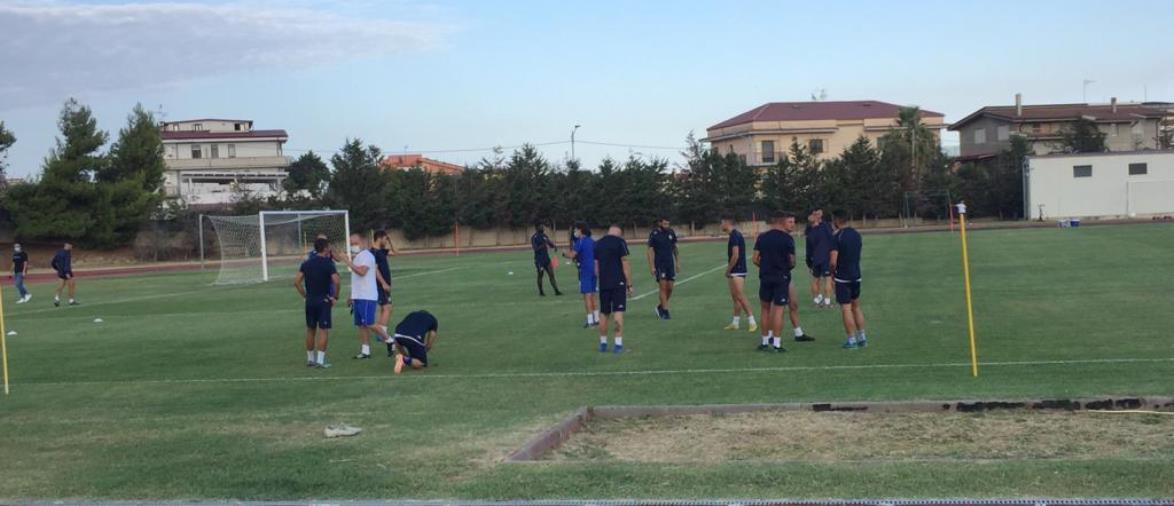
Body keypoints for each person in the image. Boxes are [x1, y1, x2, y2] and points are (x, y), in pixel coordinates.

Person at [333, 233, 393, 359]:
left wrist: (346, 261)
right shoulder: (357, 257)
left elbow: (361, 272)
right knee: (361, 324)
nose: (351, 246)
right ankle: (365, 351)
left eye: (353, 243)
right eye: (350, 244)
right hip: (358, 295)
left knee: (369, 323)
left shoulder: (366, 256)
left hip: (367, 295)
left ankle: (389, 340)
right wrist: (351, 295)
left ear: (360, 243)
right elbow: (355, 278)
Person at [753, 211, 799, 353]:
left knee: (765, 309)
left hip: (765, 277)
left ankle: (765, 342)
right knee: (778, 310)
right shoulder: (787, 239)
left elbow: (755, 259)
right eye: (790, 221)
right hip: (781, 277)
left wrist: (766, 266)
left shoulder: (762, 237)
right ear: (782, 221)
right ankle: (777, 344)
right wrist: (784, 267)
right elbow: (792, 261)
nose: (793, 224)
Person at [295, 237, 341, 368]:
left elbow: (296, 282)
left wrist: (305, 295)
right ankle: (320, 361)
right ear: (326, 248)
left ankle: (310, 359)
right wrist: (335, 296)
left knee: (310, 329)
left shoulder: (307, 263)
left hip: (310, 300)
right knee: (323, 330)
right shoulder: (328, 263)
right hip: (323, 300)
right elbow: (337, 281)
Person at [830, 209, 867, 349]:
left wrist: (833, 274)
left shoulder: (837, 237)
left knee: (846, 308)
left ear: (837, 220)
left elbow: (833, 261)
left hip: (843, 277)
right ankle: (862, 337)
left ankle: (851, 340)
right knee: (856, 306)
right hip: (856, 275)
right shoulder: (856, 235)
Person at [594, 224, 633, 353]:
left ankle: (603, 344)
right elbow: (625, 263)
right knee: (618, 311)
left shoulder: (598, 243)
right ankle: (618, 345)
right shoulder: (620, 242)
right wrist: (629, 284)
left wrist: (601, 279)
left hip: (604, 283)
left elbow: (596, 266)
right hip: (618, 282)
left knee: (604, 313)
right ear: (619, 233)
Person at [720, 217, 756, 332]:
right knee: (735, 297)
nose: (721, 225)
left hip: (738, 269)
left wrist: (728, 269)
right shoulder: (733, 235)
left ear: (727, 222)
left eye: (722, 223)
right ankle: (735, 323)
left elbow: (735, 255)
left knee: (740, 295)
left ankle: (752, 321)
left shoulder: (735, 235)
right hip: (735, 270)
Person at [565, 223, 599, 328]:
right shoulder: (592, 241)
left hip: (585, 271)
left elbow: (572, 255)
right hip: (594, 270)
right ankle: (597, 318)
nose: (575, 232)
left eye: (576, 230)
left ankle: (590, 321)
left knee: (587, 296)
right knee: (593, 295)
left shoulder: (580, 242)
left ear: (581, 230)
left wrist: (564, 253)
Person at [646, 217, 679, 320]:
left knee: (670, 288)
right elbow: (650, 251)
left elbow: (675, 248)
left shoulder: (671, 232)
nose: (667, 226)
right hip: (660, 264)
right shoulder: (654, 234)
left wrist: (678, 262)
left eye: (668, 224)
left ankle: (660, 307)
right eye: (665, 224)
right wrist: (652, 266)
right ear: (659, 223)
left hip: (670, 264)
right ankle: (665, 311)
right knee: (663, 287)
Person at [391, 310, 439, 374]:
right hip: (414, 338)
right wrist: (424, 350)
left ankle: (403, 358)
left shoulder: (412, 314)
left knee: (400, 342)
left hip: (398, 334)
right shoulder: (433, 319)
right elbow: (429, 343)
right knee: (421, 364)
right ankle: (404, 359)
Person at [805, 209, 835, 308]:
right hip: (825, 257)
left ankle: (816, 302)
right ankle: (827, 302)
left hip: (815, 259)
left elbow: (808, 249)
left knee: (815, 280)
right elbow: (832, 240)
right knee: (827, 279)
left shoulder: (809, 232)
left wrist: (809, 262)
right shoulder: (825, 227)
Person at [371, 230, 398, 334]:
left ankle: (380, 332)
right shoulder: (374, 252)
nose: (386, 241)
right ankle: (382, 333)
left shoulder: (382, 251)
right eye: (385, 239)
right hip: (380, 285)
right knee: (387, 308)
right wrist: (383, 283)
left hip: (384, 285)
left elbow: (396, 252)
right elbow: (375, 269)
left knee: (384, 308)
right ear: (379, 238)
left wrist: (391, 241)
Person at [531, 224, 562, 296]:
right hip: (539, 260)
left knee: (551, 274)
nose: (542, 228)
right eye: (541, 226)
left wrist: (554, 246)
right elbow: (535, 249)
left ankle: (556, 291)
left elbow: (549, 243)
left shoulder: (544, 236)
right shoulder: (534, 237)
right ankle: (541, 292)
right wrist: (543, 245)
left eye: (543, 227)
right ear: (537, 228)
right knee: (540, 275)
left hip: (546, 259)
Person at [51, 242, 77, 307]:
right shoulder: (67, 253)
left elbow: (53, 262)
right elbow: (67, 264)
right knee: (71, 285)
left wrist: (57, 269)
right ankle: (71, 300)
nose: (71, 247)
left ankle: (56, 299)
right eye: (70, 246)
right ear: (67, 245)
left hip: (60, 272)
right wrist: (67, 272)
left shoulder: (59, 252)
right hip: (66, 272)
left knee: (61, 286)